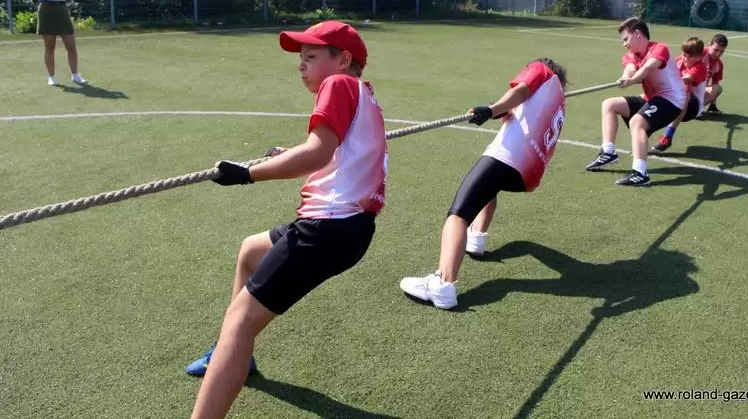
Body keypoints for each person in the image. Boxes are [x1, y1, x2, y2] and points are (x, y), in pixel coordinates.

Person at [187, 21, 388, 419]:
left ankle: (231, 353)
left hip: (328, 227)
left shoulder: (338, 84)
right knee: (250, 252)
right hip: (350, 227)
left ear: (343, 60)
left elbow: (317, 154)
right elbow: (336, 154)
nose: (301, 65)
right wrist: (287, 153)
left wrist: (247, 174)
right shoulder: (364, 94)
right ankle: (235, 356)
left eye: (311, 56)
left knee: (240, 321)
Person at [399, 58, 567, 310]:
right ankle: (476, 238)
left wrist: (492, 109)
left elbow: (520, 91)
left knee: (458, 216)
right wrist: (498, 111)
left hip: (507, 158)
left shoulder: (542, 71)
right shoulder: (558, 100)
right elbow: (520, 110)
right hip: (527, 175)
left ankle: (443, 284)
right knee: (489, 188)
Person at [584, 17, 685, 186]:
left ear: (637, 34)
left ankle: (640, 173)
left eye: (626, 39)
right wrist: (625, 77)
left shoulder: (659, 49)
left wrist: (631, 81)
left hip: (672, 100)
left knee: (636, 122)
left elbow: (647, 68)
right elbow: (630, 68)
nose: (624, 44)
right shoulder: (632, 55)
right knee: (609, 104)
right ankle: (608, 153)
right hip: (651, 98)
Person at [32, 0, 88, 86]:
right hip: (46, 9)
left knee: (71, 45)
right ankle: (52, 77)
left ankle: (75, 75)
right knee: (49, 47)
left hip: (62, 9)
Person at [650, 37, 708, 153]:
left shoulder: (701, 67)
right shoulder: (678, 60)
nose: (684, 58)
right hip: (674, 100)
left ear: (699, 57)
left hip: (692, 107)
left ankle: (667, 137)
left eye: (689, 56)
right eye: (684, 54)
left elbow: (686, 79)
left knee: (684, 94)